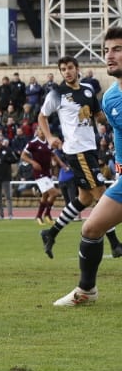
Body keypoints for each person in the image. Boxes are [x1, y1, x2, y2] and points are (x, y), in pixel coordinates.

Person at [56, 26, 122, 305]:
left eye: (117, 49)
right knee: (91, 229)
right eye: (106, 50)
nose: (110, 55)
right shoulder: (109, 98)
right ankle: (86, 292)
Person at [37, 55, 122, 258]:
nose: (67, 72)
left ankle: (51, 232)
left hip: (90, 148)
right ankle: (115, 244)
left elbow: (99, 115)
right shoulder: (57, 93)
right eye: (63, 69)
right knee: (101, 193)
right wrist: (49, 137)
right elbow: (42, 116)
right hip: (77, 151)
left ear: (77, 69)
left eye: (69, 68)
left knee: (84, 198)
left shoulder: (87, 90)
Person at [21, 136, 60, 225]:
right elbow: (23, 156)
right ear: (37, 131)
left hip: (47, 173)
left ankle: (39, 216)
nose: (42, 131)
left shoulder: (48, 142)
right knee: (55, 193)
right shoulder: (33, 143)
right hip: (39, 173)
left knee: (45, 196)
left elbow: (53, 154)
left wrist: (61, 164)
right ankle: (47, 214)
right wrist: (33, 162)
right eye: (40, 129)